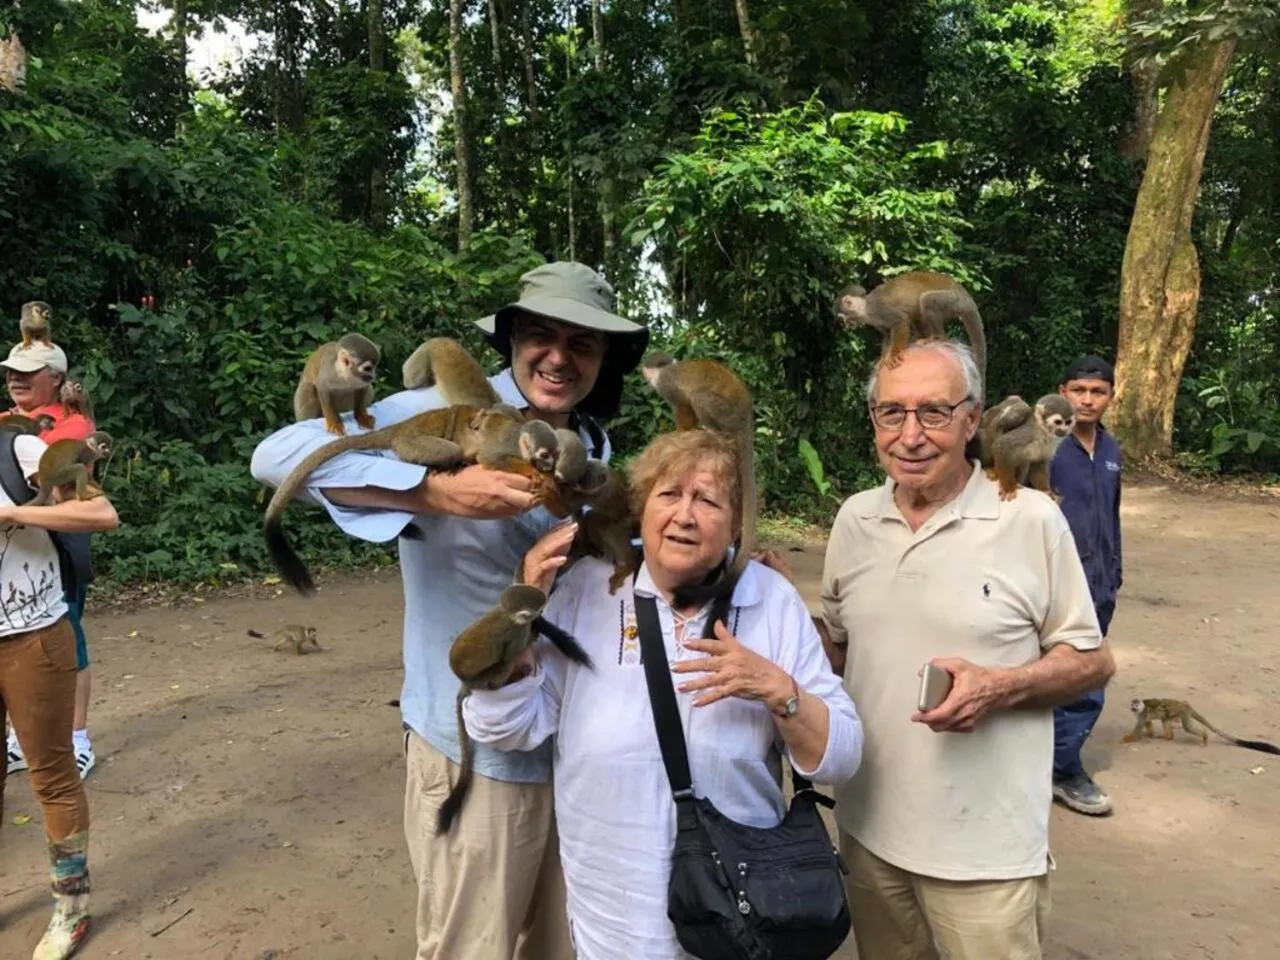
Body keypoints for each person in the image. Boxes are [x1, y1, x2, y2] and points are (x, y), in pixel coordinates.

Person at [250, 262, 649, 960]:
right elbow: (274, 457)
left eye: (581, 344)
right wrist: (433, 493)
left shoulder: (589, 440)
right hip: (474, 749)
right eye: (541, 337)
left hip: (569, 744)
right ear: (514, 341)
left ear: (602, 359)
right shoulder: (461, 410)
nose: (558, 357)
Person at [462, 427, 863, 958]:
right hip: (614, 909)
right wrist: (519, 623)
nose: (685, 515)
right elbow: (504, 727)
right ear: (641, 509)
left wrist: (778, 689)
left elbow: (841, 755)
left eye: (708, 500)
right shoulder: (588, 589)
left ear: (736, 525)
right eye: (669, 495)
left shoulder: (770, 600)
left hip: (742, 909)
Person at [818, 339, 1116, 960]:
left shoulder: (1030, 517)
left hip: (987, 858)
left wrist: (1001, 685)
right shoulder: (853, 520)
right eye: (891, 413)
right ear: (873, 420)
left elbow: (1092, 662)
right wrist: (754, 599)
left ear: (972, 419)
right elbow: (841, 654)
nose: (910, 434)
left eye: (934, 412)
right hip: (868, 836)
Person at [0, 341, 120, 960]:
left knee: (50, 774)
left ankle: (70, 905)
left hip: (29, 636)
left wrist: (15, 512)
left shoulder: (18, 446)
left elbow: (102, 514)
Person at [3, 340, 100, 781]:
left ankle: (77, 738)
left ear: (56, 380)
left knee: (66, 634)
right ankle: (19, 739)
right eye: (11, 372)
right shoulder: (11, 423)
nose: (15, 379)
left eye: (28, 371)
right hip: (16, 555)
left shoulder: (73, 425)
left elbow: (58, 473)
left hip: (58, 545)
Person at [1048, 355, 1123, 817]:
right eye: (1079, 390)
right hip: (1054, 580)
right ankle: (1058, 767)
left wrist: (1115, 571)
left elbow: (1110, 516)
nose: (1087, 400)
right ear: (1063, 391)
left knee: (1085, 674)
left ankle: (1061, 768)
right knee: (1052, 673)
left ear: (1111, 396)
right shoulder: (1048, 447)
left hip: (1100, 580)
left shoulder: (1112, 451)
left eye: (1097, 392)